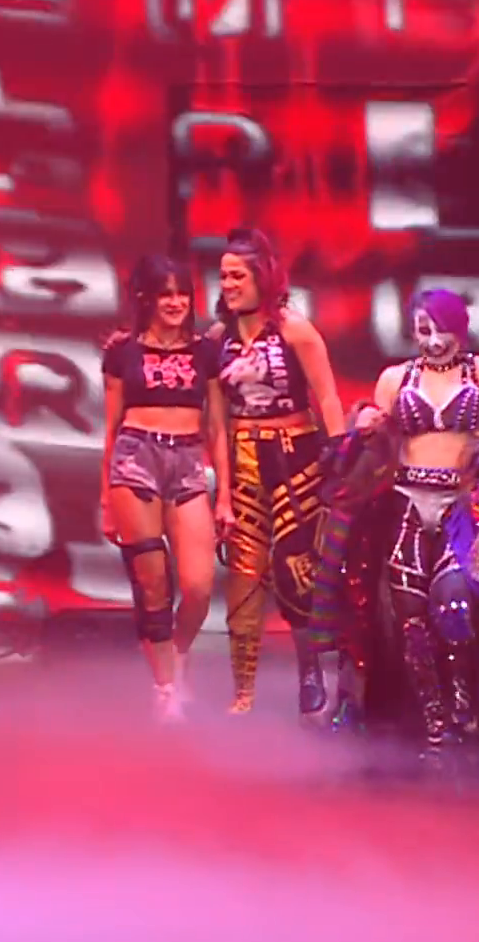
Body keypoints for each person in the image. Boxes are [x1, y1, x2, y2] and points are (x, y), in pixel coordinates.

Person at [306, 289, 479, 757]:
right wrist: (366, 427)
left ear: (461, 329)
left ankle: (462, 709)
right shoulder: (395, 378)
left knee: (453, 604)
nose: (433, 341)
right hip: (406, 502)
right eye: (423, 331)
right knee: (409, 615)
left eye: (442, 330)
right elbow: (376, 446)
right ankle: (434, 721)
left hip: (461, 506)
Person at [208, 228, 346, 715]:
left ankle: (310, 671)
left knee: (295, 570)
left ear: (261, 277)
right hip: (245, 459)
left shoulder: (295, 330)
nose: (228, 285)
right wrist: (223, 493)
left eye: (237, 276)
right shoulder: (217, 341)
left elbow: (327, 397)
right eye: (223, 276)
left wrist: (340, 461)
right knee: (243, 577)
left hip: (295, 459)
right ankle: (243, 691)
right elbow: (217, 423)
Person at [99, 255, 228, 722]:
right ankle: (166, 687)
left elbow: (217, 428)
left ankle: (177, 653)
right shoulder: (122, 351)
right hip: (136, 458)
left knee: (197, 587)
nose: (175, 303)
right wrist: (105, 496)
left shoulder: (205, 352)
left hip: (189, 462)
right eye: (165, 295)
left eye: (182, 294)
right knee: (152, 582)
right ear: (147, 300)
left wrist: (226, 495)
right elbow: (111, 426)